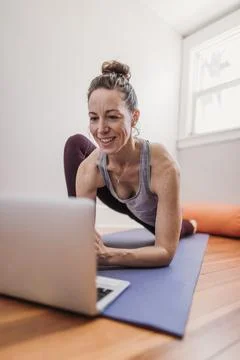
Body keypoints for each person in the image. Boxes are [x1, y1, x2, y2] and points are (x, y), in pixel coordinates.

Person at [64, 60, 197, 268]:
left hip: (149, 214)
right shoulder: (89, 168)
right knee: (75, 143)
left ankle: (192, 224)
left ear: (134, 117)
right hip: (117, 194)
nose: (100, 129)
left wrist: (109, 255)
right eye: (93, 118)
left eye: (112, 117)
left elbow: (165, 252)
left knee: (182, 230)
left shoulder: (163, 166)